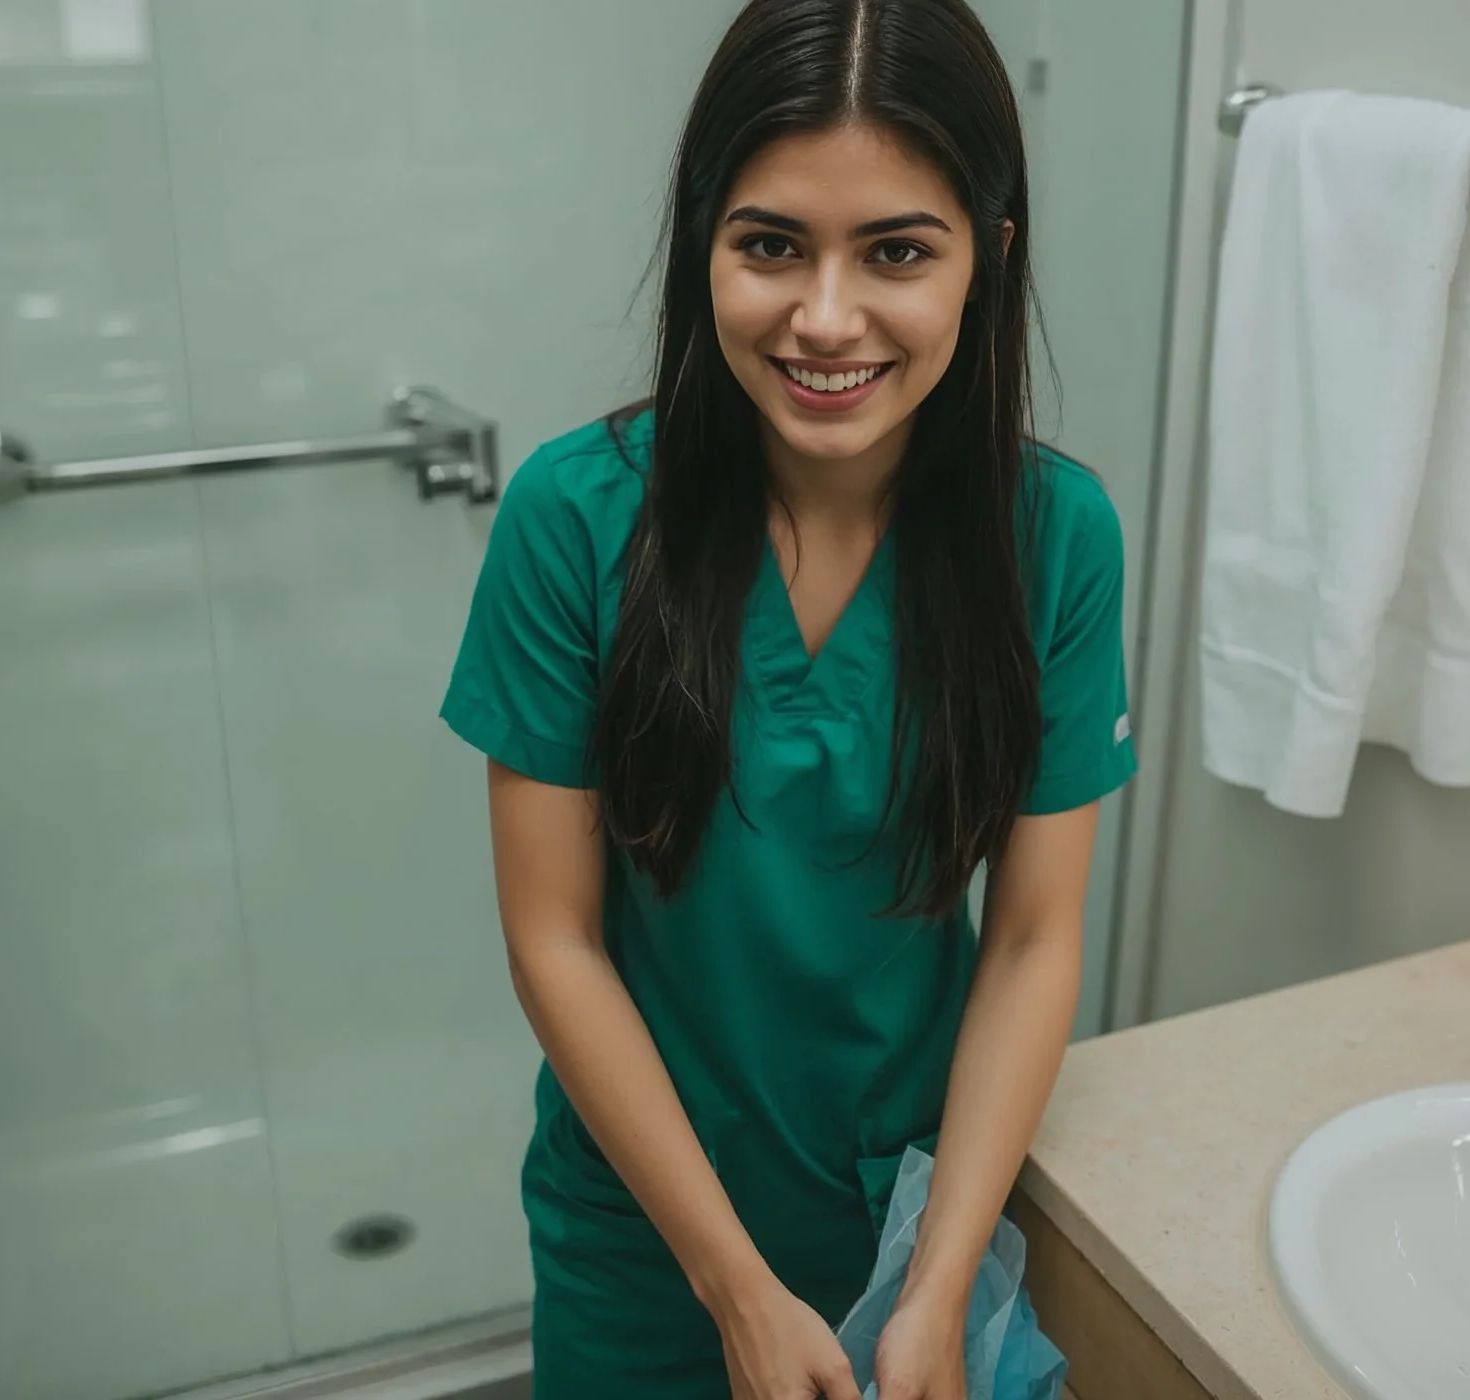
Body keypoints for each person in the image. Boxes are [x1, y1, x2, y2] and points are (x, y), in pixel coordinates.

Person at [439, 1, 1133, 1394]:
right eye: (769, 245)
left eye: (896, 251)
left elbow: (1033, 939)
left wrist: (941, 1277)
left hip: (905, 1211)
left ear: (987, 261)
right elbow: (555, 938)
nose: (826, 318)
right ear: (704, 241)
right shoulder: (574, 522)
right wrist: (734, 1287)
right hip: (646, 1232)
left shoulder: (1055, 536)